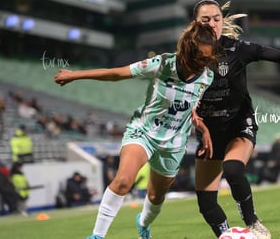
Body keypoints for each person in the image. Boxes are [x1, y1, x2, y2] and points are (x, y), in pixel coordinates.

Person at [54, 21, 220, 239]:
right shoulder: (162, 64)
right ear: (188, 48)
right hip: (144, 132)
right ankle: (97, 236)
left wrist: (203, 128)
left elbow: (191, 109)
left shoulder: (207, 78)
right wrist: (75, 75)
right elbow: (116, 73)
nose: (202, 64)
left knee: (156, 195)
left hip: (174, 143)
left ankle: (143, 222)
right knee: (123, 180)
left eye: (207, 59)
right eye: (200, 58)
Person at [191, 0, 280, 238]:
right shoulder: (187, 57)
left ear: (222, 21)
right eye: (206, 20)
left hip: (239, 125)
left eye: (217, 19)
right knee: (206, 204)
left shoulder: (238, 49)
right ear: (195, 23)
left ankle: (252, 222)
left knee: (233, 170)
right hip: (209, 134)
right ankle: (228, 236)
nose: (212, 24)